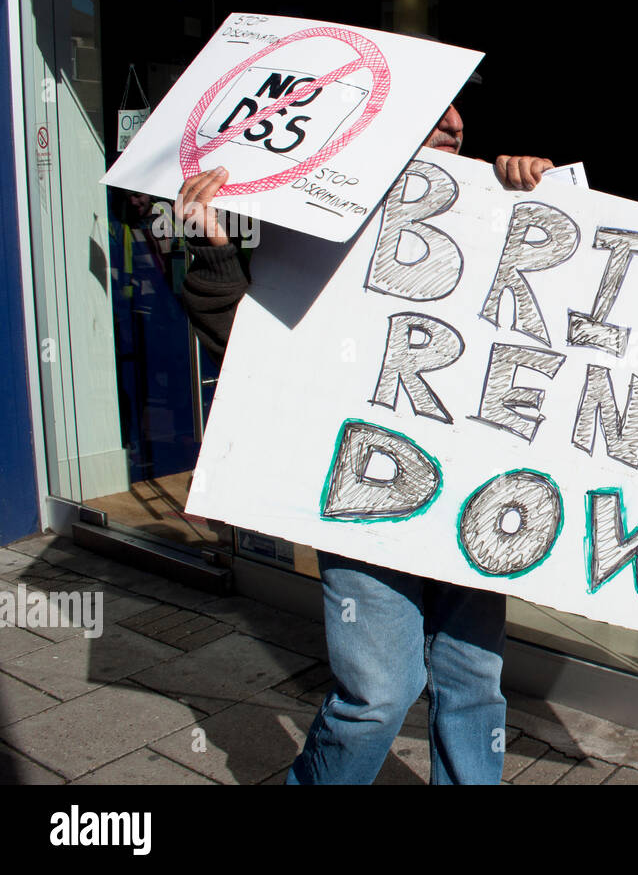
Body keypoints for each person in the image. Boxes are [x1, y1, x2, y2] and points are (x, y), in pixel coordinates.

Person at [176, 101, 555, 784]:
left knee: (474, 682)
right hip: (361, 493)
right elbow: (247, 345)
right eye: (432, 108)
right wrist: (212, 249)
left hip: (473, 489)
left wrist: (541, 193)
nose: (455, 122)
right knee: (377, 694)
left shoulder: (495, 206)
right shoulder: (315, 225)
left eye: (460, 110)